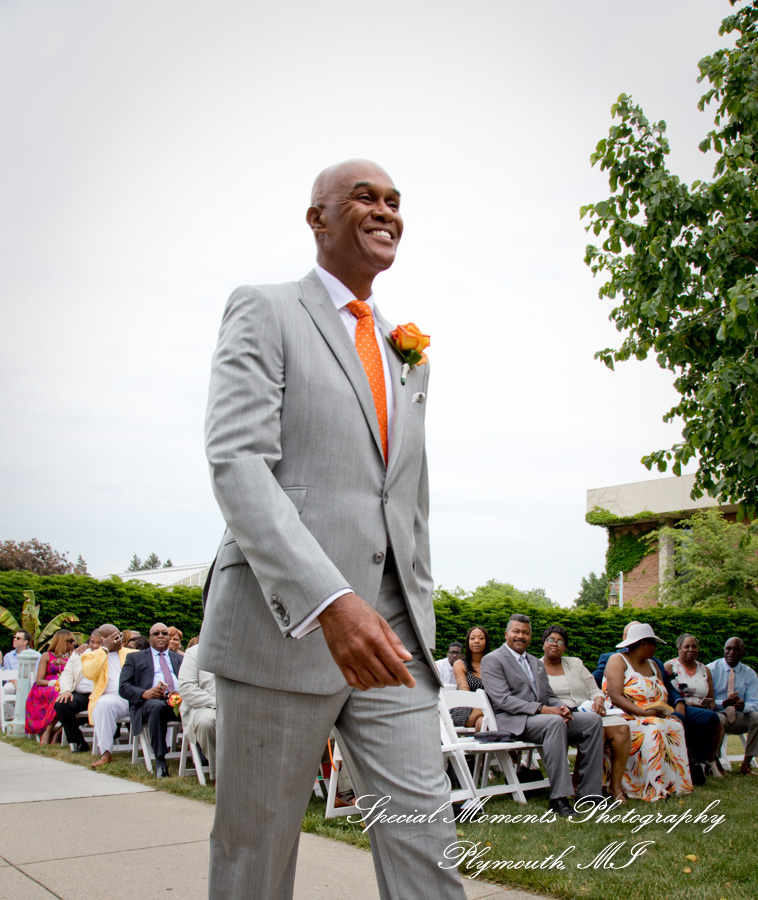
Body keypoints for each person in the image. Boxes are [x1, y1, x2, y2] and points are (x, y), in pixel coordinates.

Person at [199, 159, 465, 900]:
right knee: (256, 856)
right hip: (284, 628)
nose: (385, 211)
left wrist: (416, 615)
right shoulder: (265, 308)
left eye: (394, 201)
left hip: (393, 639)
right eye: (363, 197)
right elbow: (237, 462)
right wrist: (329, 601)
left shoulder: (406, 353)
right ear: (317, 218)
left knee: (427, 842)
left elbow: (408, 500)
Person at [481, 614, 604, 817]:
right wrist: (542, 709)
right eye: (516, 631)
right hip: (511, 721)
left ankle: (589, 793)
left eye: (526, 633)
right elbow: (503, 700)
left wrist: (562, 707)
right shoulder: (492, 660)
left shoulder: (535, 662)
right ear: (506, 634)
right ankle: (559, 798)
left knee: (592, 721)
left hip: (541, 719)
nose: (521, 636)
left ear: (530, 637)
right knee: (554, 722)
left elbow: (548, 695)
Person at [540, 624, 631, 802]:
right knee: (597, 729)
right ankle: (579, 783)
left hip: (587, 710)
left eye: (560, 641)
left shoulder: (575, 663)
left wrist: (598, 701)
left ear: (565, 647)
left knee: (621, 727)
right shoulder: (535, 667)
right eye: (551, 640)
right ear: (543, 643)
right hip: (559, 716)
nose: (555, 644)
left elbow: (594, 689)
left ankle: (615, 785)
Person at [603, 623, 692, 801]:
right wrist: (643, 713)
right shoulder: (617, 660)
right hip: (623, 715)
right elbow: (615, 696)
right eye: (654, 643)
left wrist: (666, 711)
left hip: (652, 715)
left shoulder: (653, 665)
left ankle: (673, 784)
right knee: (654, 728)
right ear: (643, 643)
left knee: (676, 725)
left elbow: (662, 694)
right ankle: (645, 785)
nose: (655, 648)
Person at [118, 622, 184, 778]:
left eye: (164, 633)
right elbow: (123, 687)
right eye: (156, 633)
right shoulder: (135, 657)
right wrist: (144, 693)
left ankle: (202, 757)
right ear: (150, 637)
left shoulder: (179, 659)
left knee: (198, 708)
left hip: (178, 701)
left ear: (169, 637)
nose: (160, 636)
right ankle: (160, 761)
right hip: (148, 704)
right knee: (156, 707)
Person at [664, 633, 723, 778]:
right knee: (710, 719)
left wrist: (710, 705)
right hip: (680, 708)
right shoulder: (670, 666)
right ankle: (693, 760)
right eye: (687, 646)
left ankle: (708, 762)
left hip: (702, 709)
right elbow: (665, 692)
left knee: (716, 720)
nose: (691, 649)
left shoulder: (704, 670)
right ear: (679, 649)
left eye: (694, 646)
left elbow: (711, 697)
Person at [81, 624, 135, 767]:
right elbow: (90, 673)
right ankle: (106, 753)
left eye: (120, 636)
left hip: (135, 696)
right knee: (103, 704)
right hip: (113, 698)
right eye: (115, 638)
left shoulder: (132, 653)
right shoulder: (91, 655)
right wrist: (104, 649)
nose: (119, 640)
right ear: (104, 639)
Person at [707, 636, 758, 775]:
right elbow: (706, 700)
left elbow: (755, 702)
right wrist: (723, 703)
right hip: (718, 713)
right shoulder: (711, 669)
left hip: (738, 716)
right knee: (719, 719)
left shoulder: (750, 674)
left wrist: (744, 705)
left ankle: (746, 764)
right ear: (723, 650)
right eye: (728, 648)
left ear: (743, 652)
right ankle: (714, 763)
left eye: (737, 649)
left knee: (757, 717)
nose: (732, 652)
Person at [54, 628, 102, 752]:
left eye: (99, 643)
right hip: (81, 694)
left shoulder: (109, 654)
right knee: (61, 704)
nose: (95, 646)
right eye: (92, 642)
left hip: (100, 694)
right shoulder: (79, 653)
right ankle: (78, 741)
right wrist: (66, 690)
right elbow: (67, 674)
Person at [25, 629, 75, 742]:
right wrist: (53, 683)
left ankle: (58, 733)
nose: (73, 643)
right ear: (62, 641)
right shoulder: (46, 656)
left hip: (67, 687)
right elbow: (39, 680)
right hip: (46, 687)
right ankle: (48, 730)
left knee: (72, 698)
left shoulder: (74, 657)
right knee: (59, 695)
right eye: (70, 641)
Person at [177, 640, 216, 771]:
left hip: (238, 706)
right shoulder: (194, 652)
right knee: (206, 722)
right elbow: (187, 689)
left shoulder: (241, 651)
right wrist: (217, 703)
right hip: (203, 706)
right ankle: (219, 773)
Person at [450, 627, 490, 731]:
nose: (477, 641)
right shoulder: (460, 664)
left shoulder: (492, 664)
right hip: (466, 709)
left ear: (486, 642)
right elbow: (465, 694)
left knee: (482, 722)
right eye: (472, 638)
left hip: (487, 710)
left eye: (481, 638)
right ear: (468, 642)